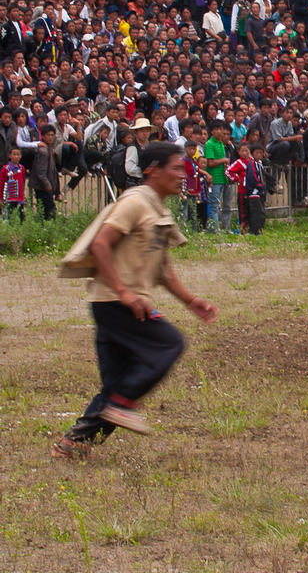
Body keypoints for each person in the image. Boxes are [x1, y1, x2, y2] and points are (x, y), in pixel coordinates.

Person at [53, 142, 218, 458]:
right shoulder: (134, 202)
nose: (183, 174)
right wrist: (124, 292)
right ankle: (122, 404)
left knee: (116, 382)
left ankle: (73, 443)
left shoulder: (156, 207)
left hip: (116, 301)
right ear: (151, 170)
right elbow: (101, 245)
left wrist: (190, 300)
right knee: (169, 343)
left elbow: (162, 266)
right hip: (116, 301)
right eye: (176, 168)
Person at [204, 120, 230, 232]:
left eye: (221, 129)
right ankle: (214, 230)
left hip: (223, 178)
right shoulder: (209, 144)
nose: (220, 132)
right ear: (212, 131)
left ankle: (223, 227)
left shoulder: (221, 144)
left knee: (224, 205)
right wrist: (223, 160)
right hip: (214, 178)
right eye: (217, 129)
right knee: (214, 205)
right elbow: (210, 162)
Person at [29, 124, 59, 220]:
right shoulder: (43, 151)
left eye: (52, 135)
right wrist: (47, 185)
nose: (50, 137)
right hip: (42, 187)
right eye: (48, 135)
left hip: (47, 186)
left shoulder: (49, 149)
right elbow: (40, 172)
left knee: (47, 211)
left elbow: (53, 170)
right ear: (43, 136)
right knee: (47, 212)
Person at [1, 145, 26, 221]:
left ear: (20, 156)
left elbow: (22, 182)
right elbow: (1, 183)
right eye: (14, 154)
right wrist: (1, 199)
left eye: (18, 154)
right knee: (9, 218)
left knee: (20, 219)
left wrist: (22, 196)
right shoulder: (5, 169)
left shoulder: (22, 168)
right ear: (9, 155)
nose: (16, 156)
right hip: (9, 198)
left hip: (20, 198)